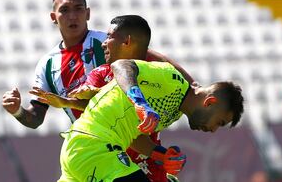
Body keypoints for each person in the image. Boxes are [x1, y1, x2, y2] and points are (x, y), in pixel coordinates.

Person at [1, 0, 192, 182]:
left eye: (78, 8)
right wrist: (17, 110)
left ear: (88, 13)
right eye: (64, 10)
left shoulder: (108, 43)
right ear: (53, 17)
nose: (72, 16)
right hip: (94, 147)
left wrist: (193, 87)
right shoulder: (47, 65)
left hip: (135, 141)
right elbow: (36, 118)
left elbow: (152, 57)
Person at [58, 59, 244, 182]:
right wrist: (138, 100)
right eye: (219, 122)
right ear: (210, 102)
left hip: (82, 150)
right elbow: (121, 65)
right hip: (94, 145)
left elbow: (133, 137)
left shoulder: (175, 112)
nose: (213, 130)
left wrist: (162, 155)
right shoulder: (172, 80)